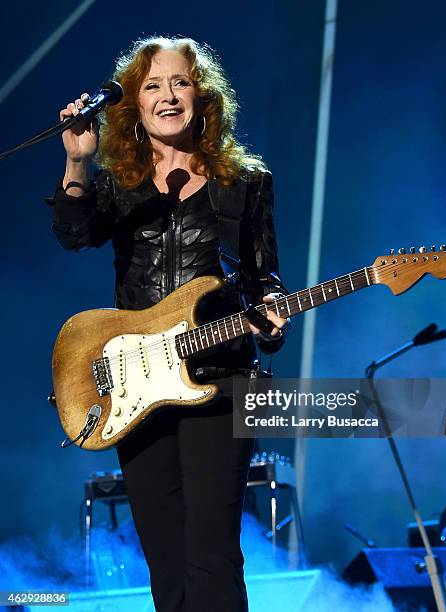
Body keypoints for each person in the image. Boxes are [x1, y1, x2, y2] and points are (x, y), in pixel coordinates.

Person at [48, 35, 289, 612]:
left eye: (179, 82)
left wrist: (273, 318)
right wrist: (78, 160)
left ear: (201, 96)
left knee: (212, 555)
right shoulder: (119, 185)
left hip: (223, 381)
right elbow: (73, 234)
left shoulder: (247, 182)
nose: (167, 95)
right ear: (133, 103)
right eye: (152, 85)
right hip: (138, 385)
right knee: (167, 563)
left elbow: (265, 276)